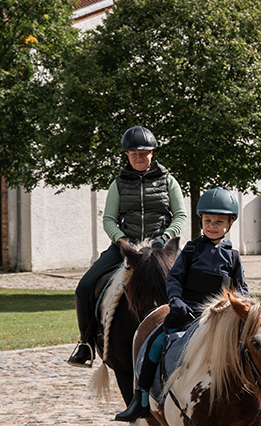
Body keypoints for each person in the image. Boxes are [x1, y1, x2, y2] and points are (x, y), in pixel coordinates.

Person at [114, 187, 249, 421]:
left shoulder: (233, 257)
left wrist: (240, 306)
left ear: (230, 224)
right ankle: (141, 398)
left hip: (219, 317)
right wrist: (175, 300)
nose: (212, 226)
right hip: (187, 311)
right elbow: (174, 278)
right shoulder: (190, 250)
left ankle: (256, 396)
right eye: (207, 221)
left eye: (218, 221)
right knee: (154, 342)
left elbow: (242, 288)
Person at [68, 126, 187, 366]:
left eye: (144, 153)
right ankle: (86, 344)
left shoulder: (168, 181)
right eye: (134, 154)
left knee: (194, 282)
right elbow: (109, 219)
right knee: (85, 286)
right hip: (127, 247)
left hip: (161, 248)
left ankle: (199, 338)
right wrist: (121, 240)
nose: (139, 158)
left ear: (152, 153)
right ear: (127, 155)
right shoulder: (118, 184)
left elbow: (180, 215)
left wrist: (167, 235)